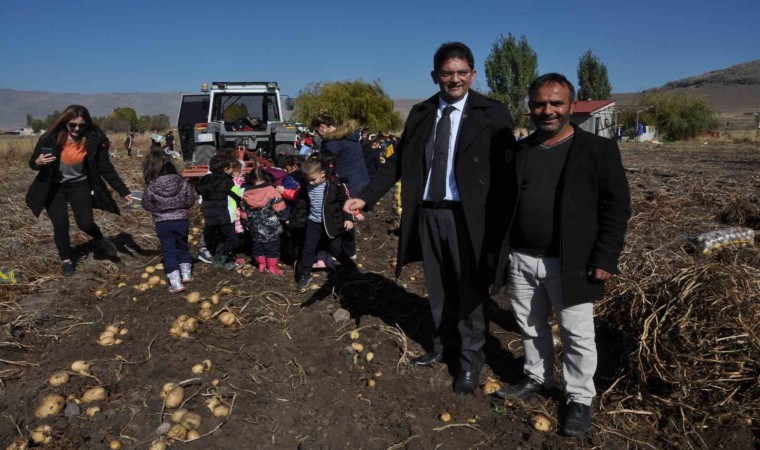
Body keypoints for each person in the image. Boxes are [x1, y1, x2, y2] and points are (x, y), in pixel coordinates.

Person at [344, 42, 515, 394]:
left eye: (461, 73)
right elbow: (397, 161)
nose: (454, 79)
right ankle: (442, 346)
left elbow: (508, 168)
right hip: (428, 213)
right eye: (447, 73)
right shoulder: (422, 112)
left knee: (469, 290)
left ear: (473, 75)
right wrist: (367, 196)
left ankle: (470, 362)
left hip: (469, 218)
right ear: (435, 75)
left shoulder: (492, 112)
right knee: (437, 288)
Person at [490, 73, 631, 437]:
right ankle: (536, 376)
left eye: (556, 103)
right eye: (540, 104)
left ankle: (579, 398)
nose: (547, 110)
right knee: (530, 325)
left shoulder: (598, 151)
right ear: (530, 107)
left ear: (571, 105)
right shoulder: (519, 151)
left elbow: (616, 208)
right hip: (522, 258)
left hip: (572, 262)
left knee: (576, 334)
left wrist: (605, 257)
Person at [25, 104, 132, 276]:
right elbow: (32, 163)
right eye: (72, 125)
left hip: (79, 185)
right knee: (60, 224)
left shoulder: (94, 138)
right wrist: (38, 162)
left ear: (87, 124)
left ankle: (99, 239)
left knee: (85, 223)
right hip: (55, 187)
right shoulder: (50, 138)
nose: (76, 128)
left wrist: (123, 190)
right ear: (65, 123)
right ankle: (66, 260)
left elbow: (106, 168)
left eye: (81, 125)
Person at [292, 158, 355, 291]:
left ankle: (350, 267)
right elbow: (301, 202)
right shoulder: (305, 184)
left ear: (322, 174)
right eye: (308, 179)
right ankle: (304, 275)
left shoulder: (334, 185)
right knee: (308, 248)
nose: (311, 183)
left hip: (332, 222)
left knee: (335, 248)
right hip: (313, 222)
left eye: (313, 179)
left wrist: (348, 218)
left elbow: (345, 201)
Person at [140, 148, 196, 293]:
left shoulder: (152, 185)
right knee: (182, 246)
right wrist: (182, 208)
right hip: (181, 221)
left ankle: (176, 283)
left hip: (162, 223)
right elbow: (190, 200)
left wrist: (157, 210)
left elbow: (146, 204)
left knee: (169, 251)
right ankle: (186, 274)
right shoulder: (183, 183)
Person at [194, 156, 242, 270]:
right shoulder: (226, 181)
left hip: (210, 216)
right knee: (233, 240)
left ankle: (221, 260)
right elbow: (239, 195)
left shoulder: (205, 180)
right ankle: (220, 258)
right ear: (226, 169)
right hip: (224, 216)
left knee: (219, 239)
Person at [242, 168, 289, 275]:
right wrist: (285, 218)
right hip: (271, 227)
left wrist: (245, 223)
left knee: (257, 247)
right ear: (266, 177)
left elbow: (244, 211)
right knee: (272, 247)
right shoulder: (271, 190)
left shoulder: (246, 192)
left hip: (255, 226)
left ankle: (261, 265)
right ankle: (272, 268)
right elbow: (280, 207)